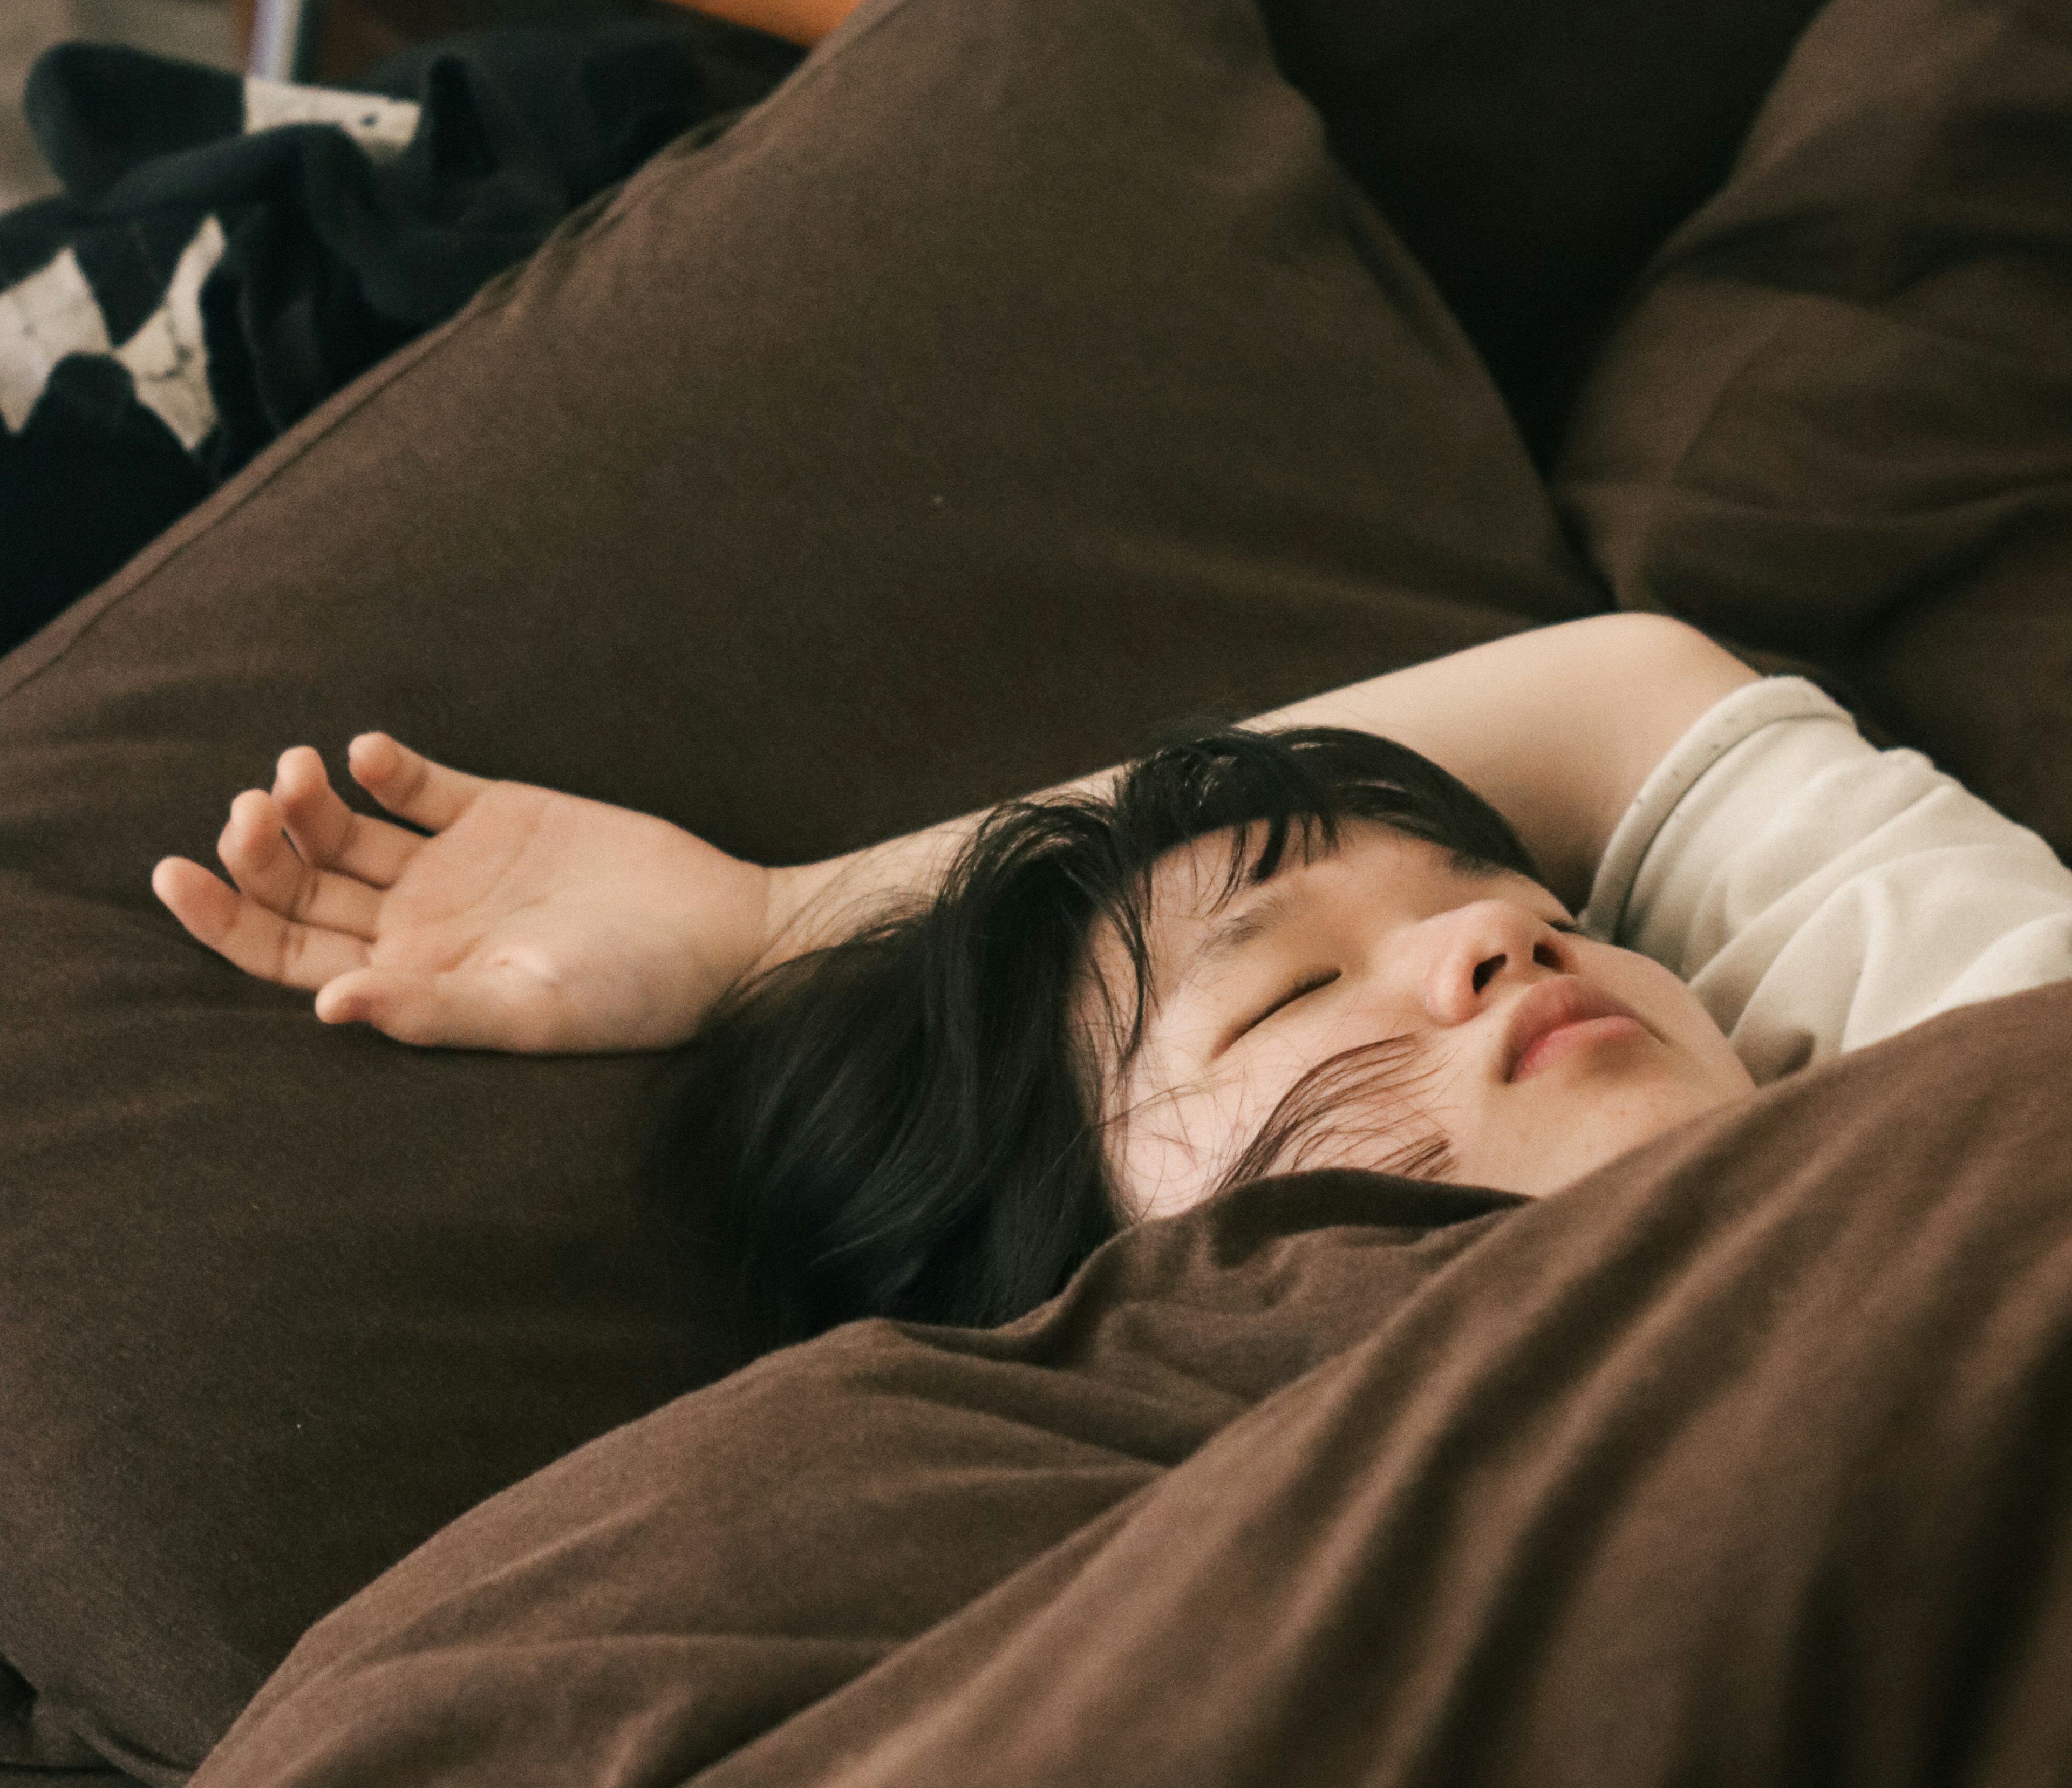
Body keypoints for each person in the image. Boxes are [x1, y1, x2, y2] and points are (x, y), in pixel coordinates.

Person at [152, 613, 2072, 1339]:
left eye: (1523, 905)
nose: (1492, 937)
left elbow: (1621, 693)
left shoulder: (1958, 1024)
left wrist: (786, 922)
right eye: (1290, 996)